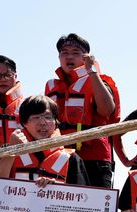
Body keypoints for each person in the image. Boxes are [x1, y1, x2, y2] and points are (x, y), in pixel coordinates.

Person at [45, 33, 120, 188]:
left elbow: (107, 110)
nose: (69, 57)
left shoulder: (100, 81)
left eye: (75, 53)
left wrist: (92, 71)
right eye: (64, 53)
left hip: (95, 159)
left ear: (86, 57)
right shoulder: (52, 86)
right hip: (61, 157)